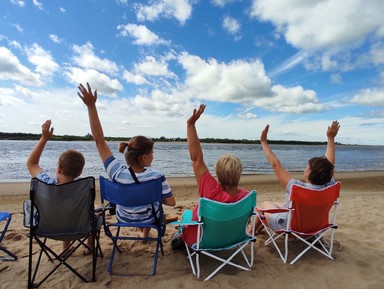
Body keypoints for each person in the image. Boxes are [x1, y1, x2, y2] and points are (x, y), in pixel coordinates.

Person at [77, 82, 175, 238]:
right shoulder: (156, 176)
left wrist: (91, 106)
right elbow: (171, 203)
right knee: (152, 204)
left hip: (123, 218)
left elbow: (99, 142)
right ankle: (145, 234)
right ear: (144, 157)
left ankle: (141, 230)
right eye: (152, 152)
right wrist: (154, 197)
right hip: (149, 219)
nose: (153, 155)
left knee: (137, 203)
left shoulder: (116, 172)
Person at [180, 104, 251, 246]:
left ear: (218, 174)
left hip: (203, 241)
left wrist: (191, 124)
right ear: (239, 173)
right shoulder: (246, 197)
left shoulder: (212, 191)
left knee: (187, 214)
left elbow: (196, 159)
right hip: (232, 239)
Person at [251, 121, 341, 234]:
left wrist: (263, 142)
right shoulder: (330, 186)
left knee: (265, 204)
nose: (304, 169)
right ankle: (258, 229)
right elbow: (330, 163)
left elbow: (275, 165)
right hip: (316, 227)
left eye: (306, 167)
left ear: (309, 173)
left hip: (291, 228)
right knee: (279, 205)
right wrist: (330, 138)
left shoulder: (297, 187)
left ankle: (250, 232)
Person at [26, 119, 88, 254]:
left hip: (48, 228)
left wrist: (44, 138)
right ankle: (90, 248)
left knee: (62, 211)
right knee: (93, 210)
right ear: (80, 172)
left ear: (59, 169)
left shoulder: (46, 184)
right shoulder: (82, 189)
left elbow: (32, 163)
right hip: (78, 229)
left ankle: (65, 248)